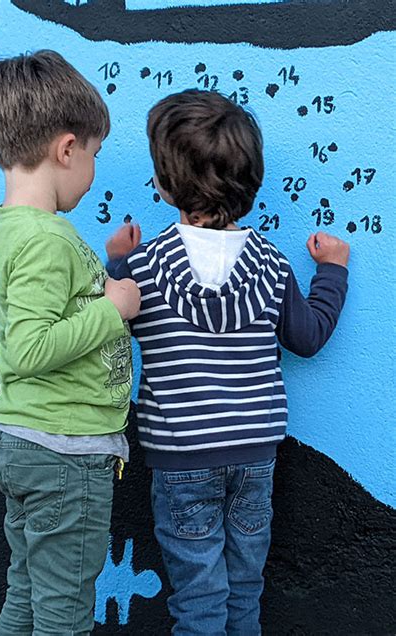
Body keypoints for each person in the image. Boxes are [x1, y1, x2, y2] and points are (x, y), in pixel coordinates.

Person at [106, 89, 350, 635]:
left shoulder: (143, 267)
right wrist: (332, 271)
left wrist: (117, 260)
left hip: (181, 456)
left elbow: (117, 323)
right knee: (244, 594)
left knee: (198, 601)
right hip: (255, 456)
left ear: (165, 186)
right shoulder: (270, 265)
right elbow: (306, 337)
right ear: (251, 184)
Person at [0, 50, 140, 635]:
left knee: (26, 596)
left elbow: (38, 318)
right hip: (63, 455)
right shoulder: (47, 238)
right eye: (94, 155)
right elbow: (28, 348)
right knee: (65, 614)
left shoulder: (8, 230)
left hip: (28, 446)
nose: (93, 170)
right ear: (66, 149)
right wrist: (113, 308)